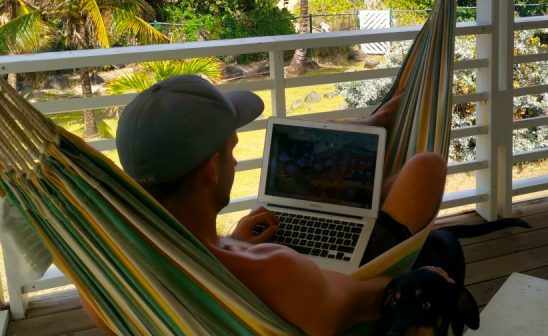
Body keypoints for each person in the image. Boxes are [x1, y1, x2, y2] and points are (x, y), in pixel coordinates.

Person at [82, 74, 447, 336]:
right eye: (232, 150)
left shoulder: (105, 276)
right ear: (212, 167)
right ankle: (367, 135)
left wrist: (232, 242)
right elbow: (376, 298)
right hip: (336, 306)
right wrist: (430, 281)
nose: (236, 162)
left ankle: (369, 130)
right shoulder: (275, 270)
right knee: (441, 245)